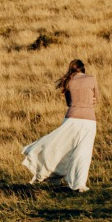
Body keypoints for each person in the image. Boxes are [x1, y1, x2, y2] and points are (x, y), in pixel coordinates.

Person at [21, 59, 98, 192]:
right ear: (83, 69)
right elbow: (97, 99)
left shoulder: (69, 81)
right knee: (83, 153)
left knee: (61, 148)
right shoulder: (92, 79)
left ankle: (42, 162)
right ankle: (78, 184)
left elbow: (69, 103)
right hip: (89, 120)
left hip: (71, 118)